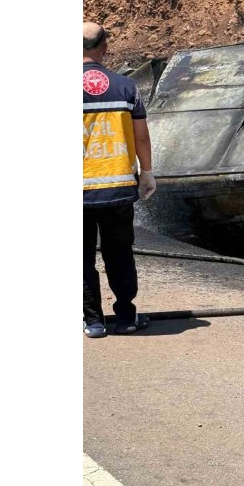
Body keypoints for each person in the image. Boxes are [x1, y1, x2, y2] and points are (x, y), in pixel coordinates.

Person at [83, 22, 157, 338]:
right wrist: (148, 172)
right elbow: (141, 137)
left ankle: (93, 322)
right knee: (120, 254)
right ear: (104, 48)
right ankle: (126, 317)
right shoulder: (126, 87)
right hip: (118, 189)